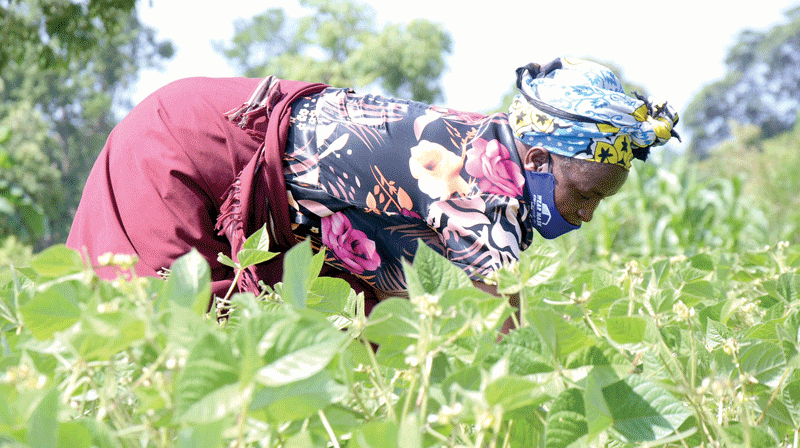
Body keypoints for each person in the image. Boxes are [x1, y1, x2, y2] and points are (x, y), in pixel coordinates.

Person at [67, 57, 679, 313]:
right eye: (586, 191)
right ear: (541, 157)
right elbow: (502, 344)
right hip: (192, 148)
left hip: (255, 190)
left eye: (605, 198)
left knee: (310, 351)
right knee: (154, 336)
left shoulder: (499, 165)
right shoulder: (477, 187)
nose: (589, 213)